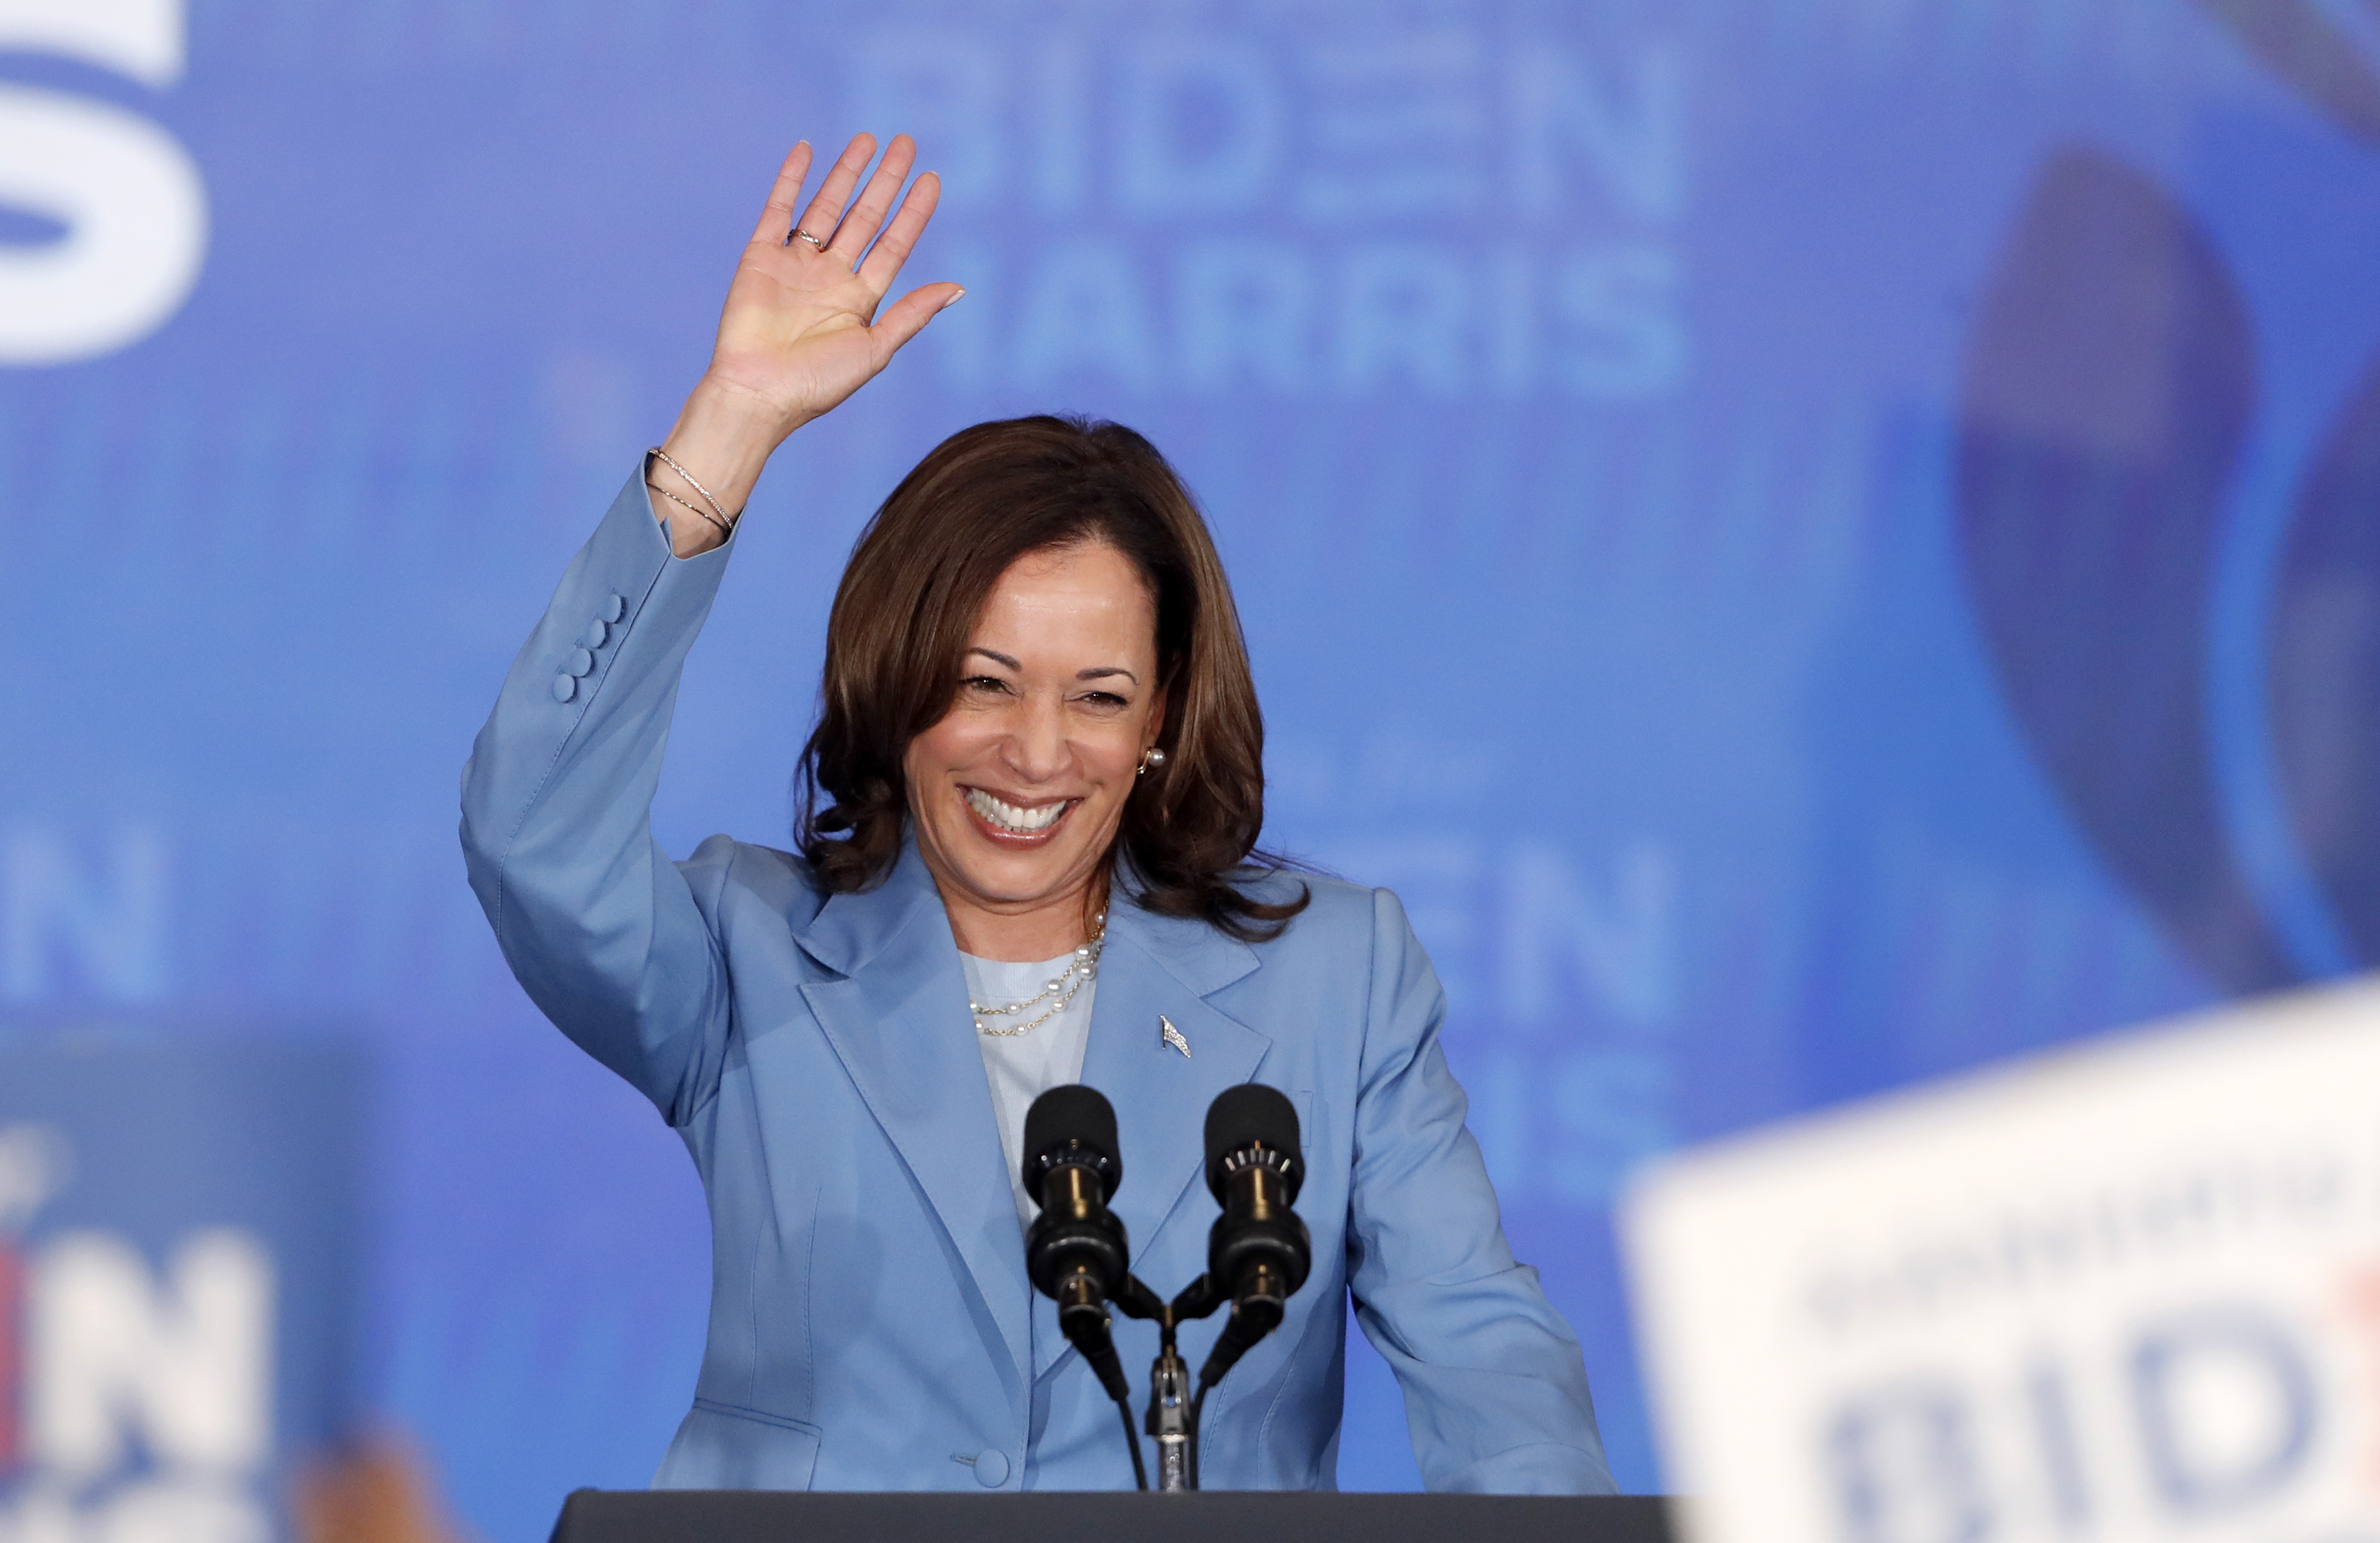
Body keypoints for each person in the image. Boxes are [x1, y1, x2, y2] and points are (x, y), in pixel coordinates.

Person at [460, 132, 1614, 1494]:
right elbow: (532, 838)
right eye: (983, 683)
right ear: (896, 684)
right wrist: (730, 428)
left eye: (1099, 697)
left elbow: (1479, 1345)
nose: (1034, 754)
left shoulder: (1332, 980)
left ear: (1164, 717)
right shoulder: (746, 953)